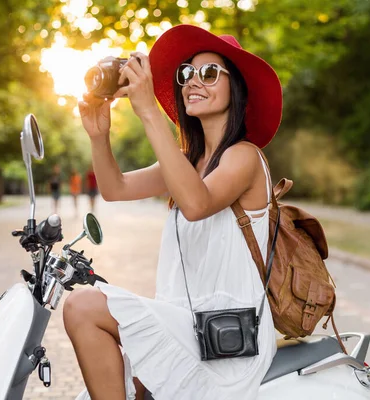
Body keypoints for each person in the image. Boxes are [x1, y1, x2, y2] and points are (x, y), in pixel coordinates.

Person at [64, 24, 283, 400]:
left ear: (237, 89)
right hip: (189, 327)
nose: (193, 82)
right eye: (186, 74)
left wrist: (148, 109)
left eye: (210, 73)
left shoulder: (244, 157)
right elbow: (115, 189)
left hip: (228, 338)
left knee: (83, 305)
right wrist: (99, 136)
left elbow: (196, 204)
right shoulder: (188, 162)